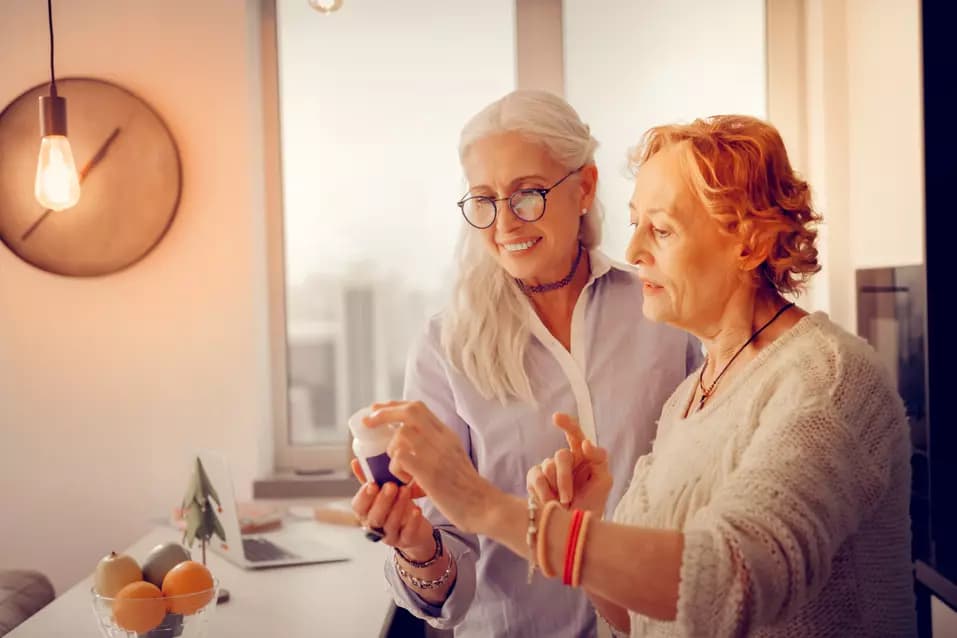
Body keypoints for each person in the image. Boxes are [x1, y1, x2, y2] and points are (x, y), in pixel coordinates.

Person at [362, 115, 916, 637]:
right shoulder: (689, 399)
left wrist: (487, 508)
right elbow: (635, 619)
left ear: (747, 241)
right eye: (634, 224)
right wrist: (588, 521)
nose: (632, 250)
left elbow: (730, 583)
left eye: (663, 230)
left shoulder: (827, 380)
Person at [349, 90, 699, 637]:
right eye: (483, 200)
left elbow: (695, 495)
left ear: (584, 187)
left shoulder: (661, 309)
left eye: (527, 194)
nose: (505, 223)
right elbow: (452, 593)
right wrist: (418, 546)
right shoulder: (447, 345)